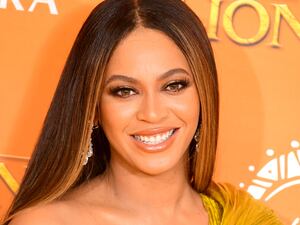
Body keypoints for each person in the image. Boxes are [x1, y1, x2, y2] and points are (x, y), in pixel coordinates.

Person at [1, 0, 283, 224]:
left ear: (203, 95)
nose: (152, 113)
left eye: (174, 86)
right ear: (93, 109)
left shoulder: (246, 219)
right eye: (125, 91)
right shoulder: (45, 222)